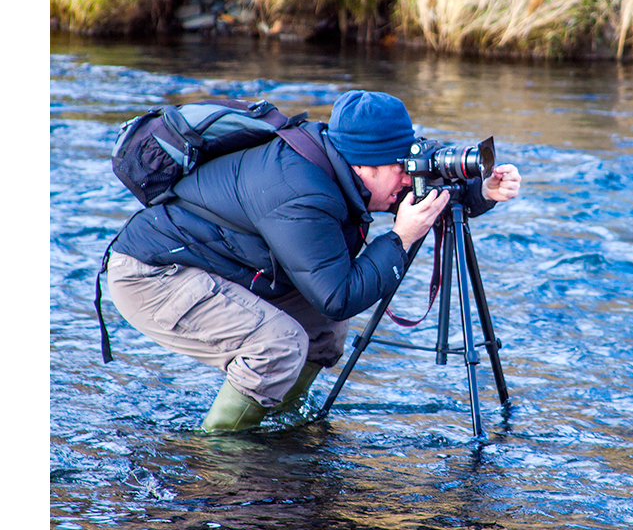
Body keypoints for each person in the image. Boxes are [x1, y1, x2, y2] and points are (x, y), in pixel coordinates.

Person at [104, 90, 522, 432]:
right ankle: (221, 451)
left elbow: (331, 306)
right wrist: (400, 238)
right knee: (278, 345)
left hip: (225, 262)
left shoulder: (342, 162)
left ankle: (281, 425)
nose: (409, 180)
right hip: (153, 273)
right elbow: (337, 294)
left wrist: (481, 190)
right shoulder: (300, 190)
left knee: (324, 332)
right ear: (363, 166)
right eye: (401, 169)